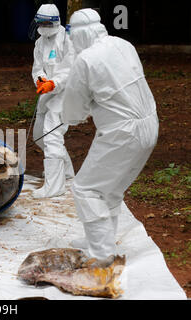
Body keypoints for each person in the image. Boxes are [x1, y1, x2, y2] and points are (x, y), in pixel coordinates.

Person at [61, 9, 159, 262]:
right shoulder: (122, 44)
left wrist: (72, 117)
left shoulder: (86, 59)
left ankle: (101, 255)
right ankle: (100, 239)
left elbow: (73, 107)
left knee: (86, 189)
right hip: (149, 124)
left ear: (79, 34)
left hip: (122, 133)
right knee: (111, 190)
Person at [30, 4, 75, 199]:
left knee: (51, 134)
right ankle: (66, 172)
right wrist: (40, 79)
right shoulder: (40, 42)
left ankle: (55, 186)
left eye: (47, 22)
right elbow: (37, 67)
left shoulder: (67, 39)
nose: (44, 26)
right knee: (39, 135)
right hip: (48, 91)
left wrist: (54, 83)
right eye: (41, 22)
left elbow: (71, 69)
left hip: (67, 92)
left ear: (56, 22)